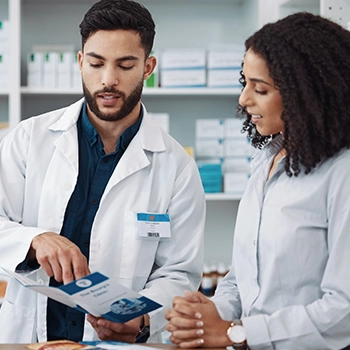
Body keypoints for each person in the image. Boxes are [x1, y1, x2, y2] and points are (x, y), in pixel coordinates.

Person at [0, 0, 205, 344]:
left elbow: (179, 273)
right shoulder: (29, 138)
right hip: (29, 338)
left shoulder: (176, 167)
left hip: (114, 342)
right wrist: (33, 241)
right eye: (96, 63)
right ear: (80, 63)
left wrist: (141, 317)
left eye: (125, 65)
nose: (108, 80)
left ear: (148, 67)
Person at [165, 11, 350, 350]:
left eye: (260, 89)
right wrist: (206, 316)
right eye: (244, 83)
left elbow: (344, 312)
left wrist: (238, 333)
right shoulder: (266, 159)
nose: (243, 99)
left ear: (306, 92)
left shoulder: (342, 173)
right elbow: (243, 278)